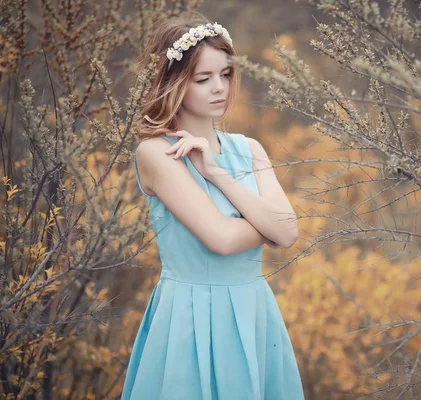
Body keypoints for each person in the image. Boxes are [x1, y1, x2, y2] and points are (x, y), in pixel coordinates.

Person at [121, 14, 305, 400]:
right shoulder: (156, 153)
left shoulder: (249, 149)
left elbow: (288, 233)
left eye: (225, 74)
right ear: (174, 82)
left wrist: (217, 174)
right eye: (203, 79)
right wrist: (267, 223)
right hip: (192, 315)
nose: (219, 88)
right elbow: (221, 239)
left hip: (254, 312)